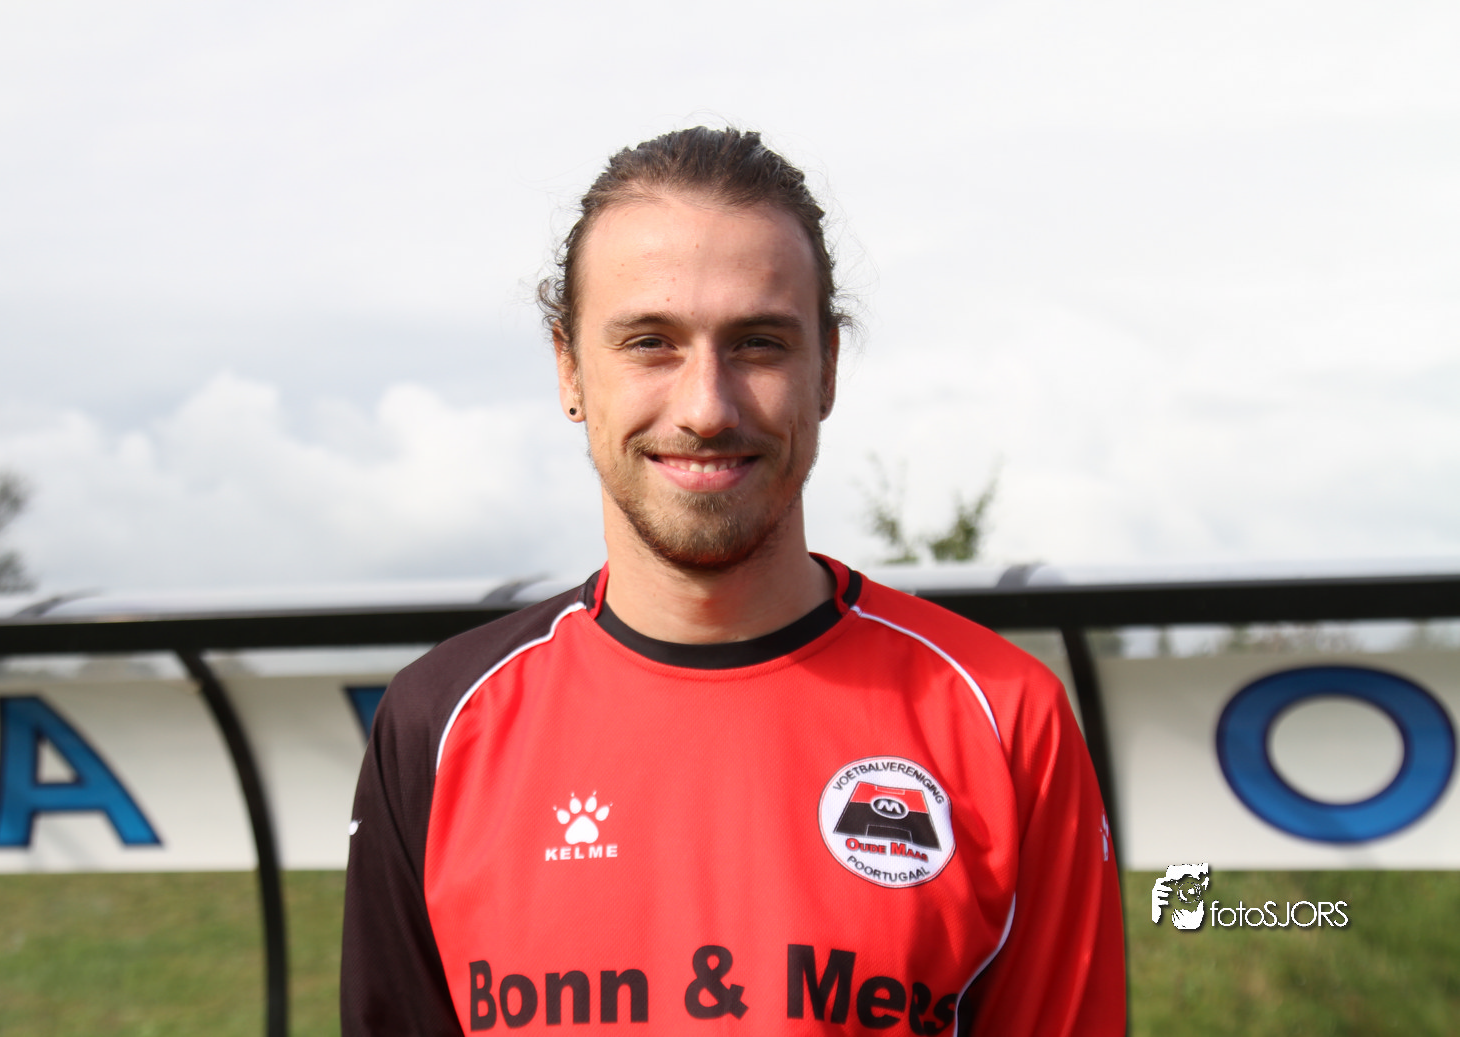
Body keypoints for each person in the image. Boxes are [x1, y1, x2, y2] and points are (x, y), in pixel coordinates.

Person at [341, 127, 1126, 1035]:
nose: (706, 407)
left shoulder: (1005, 719)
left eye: (757, 344)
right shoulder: (439, 722)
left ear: (826, 368)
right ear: (569, 368)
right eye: (650, 342)